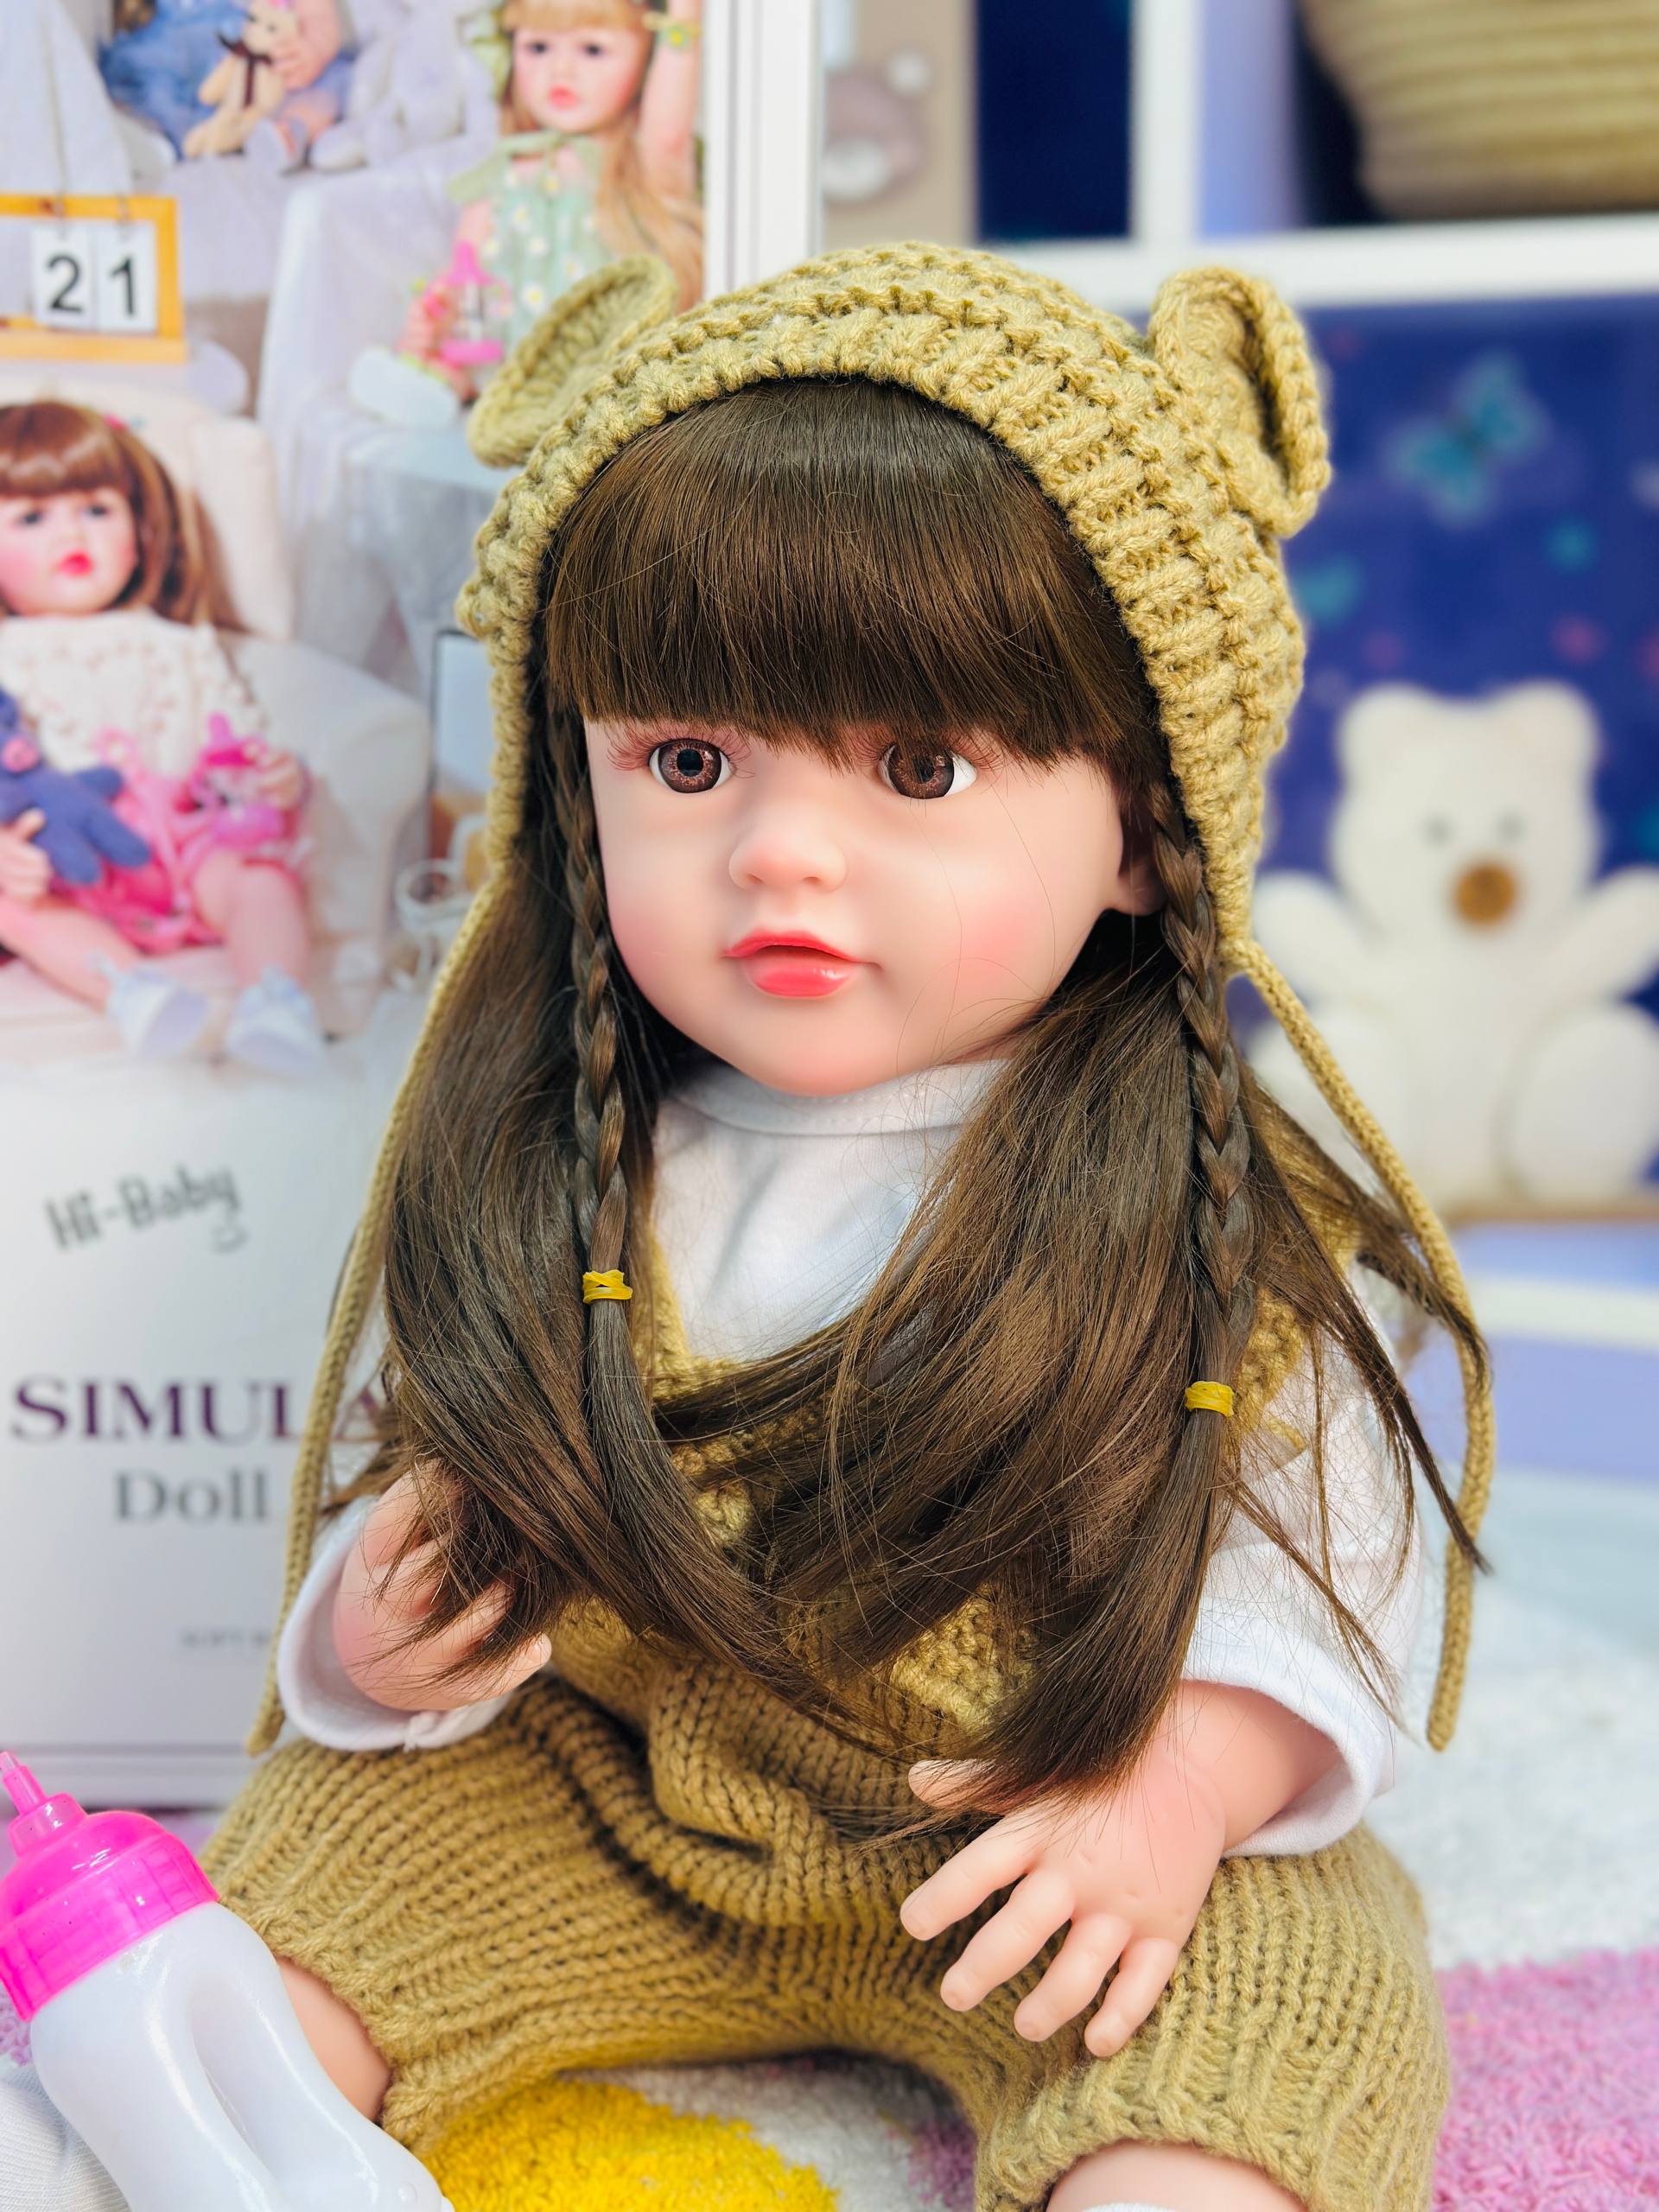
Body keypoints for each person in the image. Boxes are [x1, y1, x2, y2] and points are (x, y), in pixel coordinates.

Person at [3, 247, 1496, 2212]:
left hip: (1051, 1818)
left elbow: (1322, 1570)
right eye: (689, 763)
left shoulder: (1208, 1201)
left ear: (1145, 825)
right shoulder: (551, 1155)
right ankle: (160, 2127)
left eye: (919, 768)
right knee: (313, 1866)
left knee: (1270, 1998)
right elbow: (409, 1462)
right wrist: (386, 1623)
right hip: (618, 1792)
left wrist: (1185, 1779)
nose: (780, 850)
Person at [0, 402, 322, 1074]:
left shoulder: (182, 645)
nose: (72, 534)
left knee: (260, 880)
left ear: (142, 530)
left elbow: (235, 744)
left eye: (96, 509)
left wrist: (272, 775)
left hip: (187, 848)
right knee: (14, 909)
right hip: (68, 872)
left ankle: (275, 1000)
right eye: (32, 518)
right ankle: (133, 993)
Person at [350, 0, 701, 429]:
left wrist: (685, 19)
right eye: (538, 47)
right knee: (452, 356)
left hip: (610, 382)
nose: (560, 70)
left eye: (592, 49)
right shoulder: (504, 172)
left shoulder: (638, 168)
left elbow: (669, 134)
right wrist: (435, 320)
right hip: (511, 377)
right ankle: (444, 384)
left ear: (648, 59)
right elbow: (464, 274)